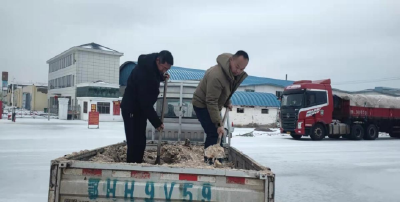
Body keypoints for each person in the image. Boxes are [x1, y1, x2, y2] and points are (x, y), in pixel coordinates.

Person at [192, 51, 249, 157]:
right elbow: (211, 101)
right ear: (231, 60)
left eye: (242, 69)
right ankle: (210, 161)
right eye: (237, 67)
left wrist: (227, 102)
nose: (238, 71)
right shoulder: (217, 76)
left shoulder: (231, 73)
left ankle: (218, 156)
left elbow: (224, 91)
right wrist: (219, 124)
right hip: (202, 104)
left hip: (212, 103)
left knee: (219, 133)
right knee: (214, 132)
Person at [121, 50, 173, 163]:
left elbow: (154, 75)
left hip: (140, 109)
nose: (165, 71)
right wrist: (157, 122)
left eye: (167, 69)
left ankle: (138, 162)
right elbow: (145, 102)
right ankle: (131, 166)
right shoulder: (144, 72)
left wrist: (161, 76)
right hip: (131, 108)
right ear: (158, 60)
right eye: (164, 68)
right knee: (134, 141)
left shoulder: (152, 67)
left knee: (141, 139)